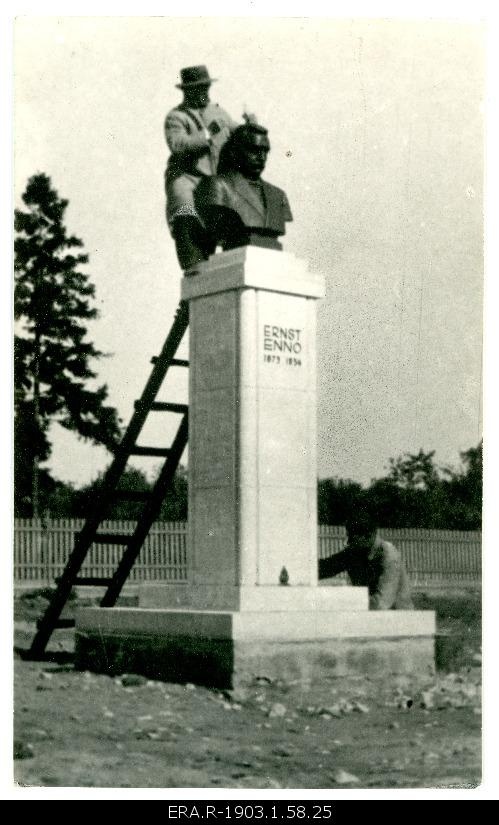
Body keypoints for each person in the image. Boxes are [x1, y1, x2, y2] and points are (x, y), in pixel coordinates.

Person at [164, 65, 239, 270]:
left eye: (205, 87)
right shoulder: (176, 117)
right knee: (185, 214)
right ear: (186, 91)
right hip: (186, 179)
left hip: (213, 181)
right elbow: (178, 144)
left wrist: (248, 125)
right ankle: (193, 271)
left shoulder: (218, 112)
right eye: (197, 88)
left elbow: (236, 131)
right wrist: (208, 133)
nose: (203, 92)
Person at [194, 122, 293, 252]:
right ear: (235, 152)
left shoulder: (279, 195)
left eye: (265, 151)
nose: (262, 157)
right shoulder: (217, 186)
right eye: (254, 150)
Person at [318, 505, 414, 610]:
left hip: (398, 619)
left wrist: (342, 601)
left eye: (352, 538)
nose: (348, 542)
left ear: (369, 536)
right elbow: (325, 567)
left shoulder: (389, 557)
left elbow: (381, 603)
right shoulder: (355, 552)